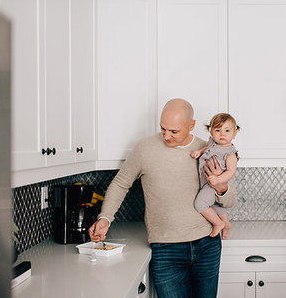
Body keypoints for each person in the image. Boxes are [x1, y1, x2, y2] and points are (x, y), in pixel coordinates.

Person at [88, 98, 237, 298]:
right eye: (163, 128)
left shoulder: (209, 150)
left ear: (191, 125)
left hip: (207, 244)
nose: (167, 136)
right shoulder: (145, 148)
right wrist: (105, 217)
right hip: (166, 249)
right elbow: (121, 183)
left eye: (174, 131)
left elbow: (229, 202)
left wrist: (221, 187)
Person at [190, 113, 240, 240]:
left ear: (234, 133)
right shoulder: (212, 143)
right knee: (216, 206)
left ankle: (218, 223)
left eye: (227, 130)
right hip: (207, 181)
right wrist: (199, 152)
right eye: (217, 130)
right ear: (211, 132)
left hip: (214, 184)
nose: (222, 134)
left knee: (200, 204)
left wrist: (218, 180)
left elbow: (231, 171)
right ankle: (227, 224)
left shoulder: (230, 153)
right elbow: (207, 148)